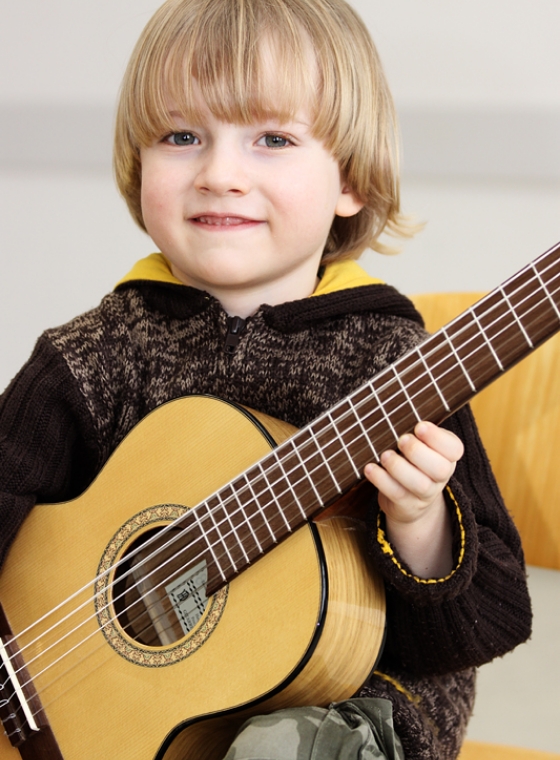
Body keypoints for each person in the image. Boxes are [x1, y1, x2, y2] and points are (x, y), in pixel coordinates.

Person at [0, 0, 532, 758]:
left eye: (273, 139)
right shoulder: (96, 352)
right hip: (119, 708)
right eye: (182, 137)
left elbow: (497, 612)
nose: (220, 174)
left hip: (351, 706)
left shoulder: (392, 362)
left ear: (350, 180)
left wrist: (420, 524)